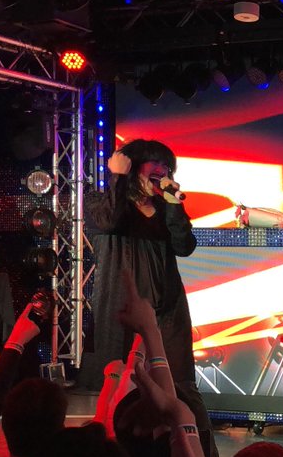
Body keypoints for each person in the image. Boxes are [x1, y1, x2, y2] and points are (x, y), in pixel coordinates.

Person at [79, 139, 197, 390]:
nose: (162, 170)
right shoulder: (98, 202)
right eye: (155, 162)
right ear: (132, 166)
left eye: (167, 166)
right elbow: (109, 222)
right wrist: (119, 178)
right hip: (121, 311)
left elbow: (184, 247)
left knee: (174, 385)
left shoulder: (166, 209)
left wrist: (175, 206)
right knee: (118, 385)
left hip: (165, 311)